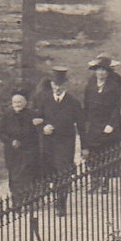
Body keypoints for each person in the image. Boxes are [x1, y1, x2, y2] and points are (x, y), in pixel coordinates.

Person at [34, 66, 82, 217]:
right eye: (55, 84)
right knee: (49, 171)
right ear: (52, 85)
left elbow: (80, 124)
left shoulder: (73, 102)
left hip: (64, 143)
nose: (57, 88)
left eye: (60, 85)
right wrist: (43, 127)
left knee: (63, 172)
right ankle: (49, 197)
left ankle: (61, 203)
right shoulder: (44, 99)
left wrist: (85, 147)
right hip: (47, 142)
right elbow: (37, 118)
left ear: (66, 85)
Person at [80, 55, 121, 190]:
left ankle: (105, 181)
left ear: (108, 73)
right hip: (94, 124)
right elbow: (86, 105)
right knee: (93, 153)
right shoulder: (90, 86)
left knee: (106, 153)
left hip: (106, 124)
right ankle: (95, 179)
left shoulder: (113, 87)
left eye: (104, 71)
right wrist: (85, 123)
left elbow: (116, 108)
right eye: (99, 70)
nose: (101, 73)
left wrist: (111, 124)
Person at [0, 91, 42, 203]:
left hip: (29, 151)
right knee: (14, 177)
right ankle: (17, 202)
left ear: (25, 103)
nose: (17, 104)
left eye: (20, 102)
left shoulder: (32, 115)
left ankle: (30, 200)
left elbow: (38, 134)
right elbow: (0, 132)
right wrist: (10, 141)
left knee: (28, 176)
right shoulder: (7, 115)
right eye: (15, 102)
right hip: (12, 152)